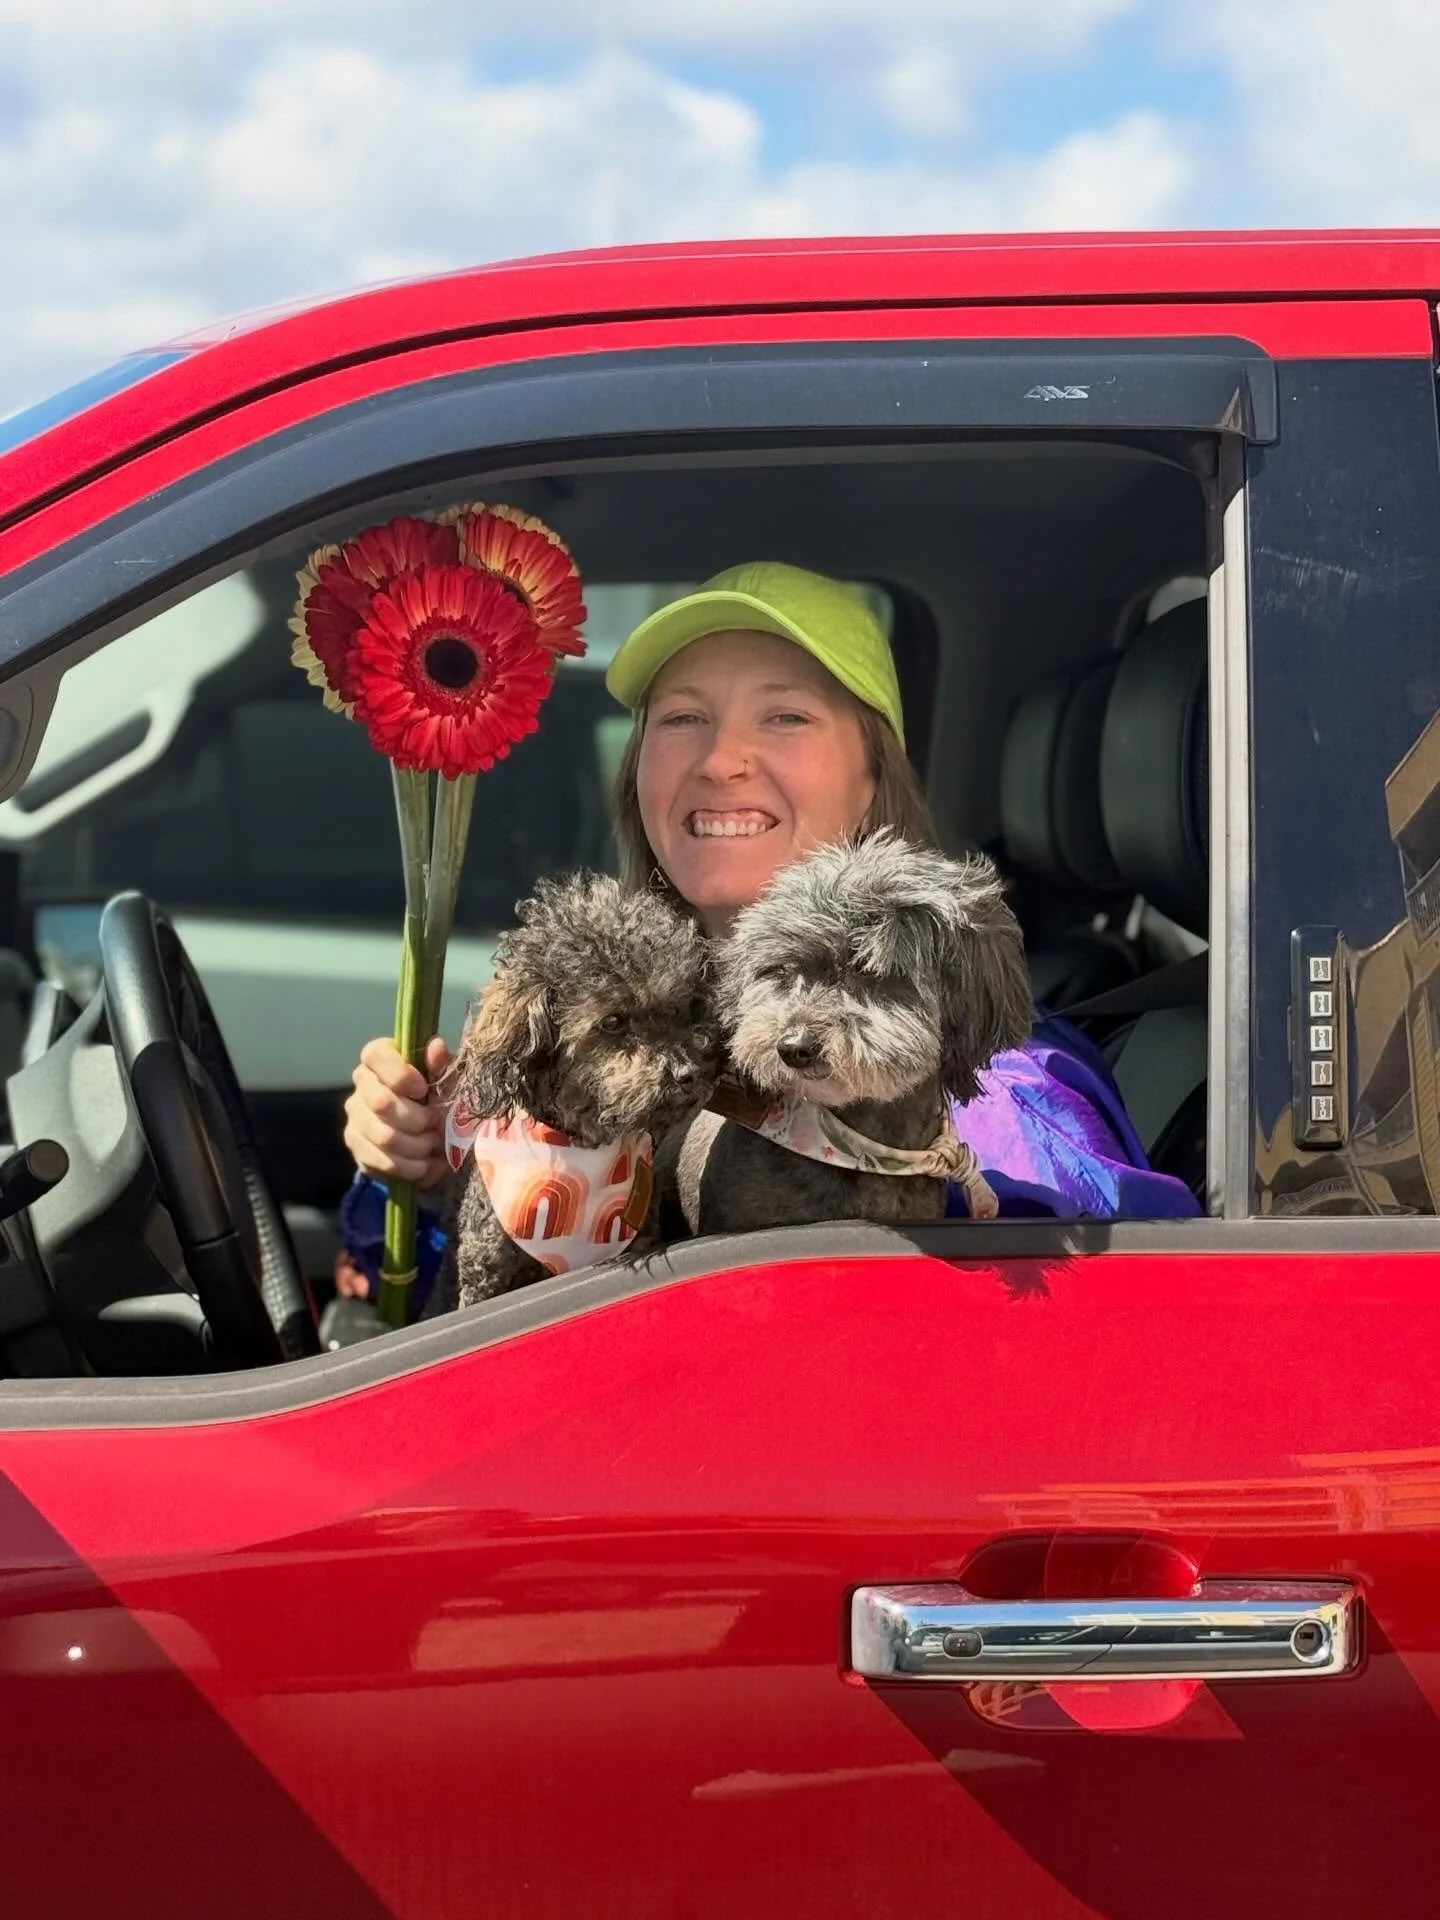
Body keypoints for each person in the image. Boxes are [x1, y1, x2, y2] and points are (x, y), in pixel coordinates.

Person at [337, 561, 1199, 1304]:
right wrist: (438, 1170)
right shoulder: (613, 1035)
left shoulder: (997, 1082)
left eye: (784, 716)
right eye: (681, 719)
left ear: (873, 776)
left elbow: (1081, 1276)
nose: (722, 759)